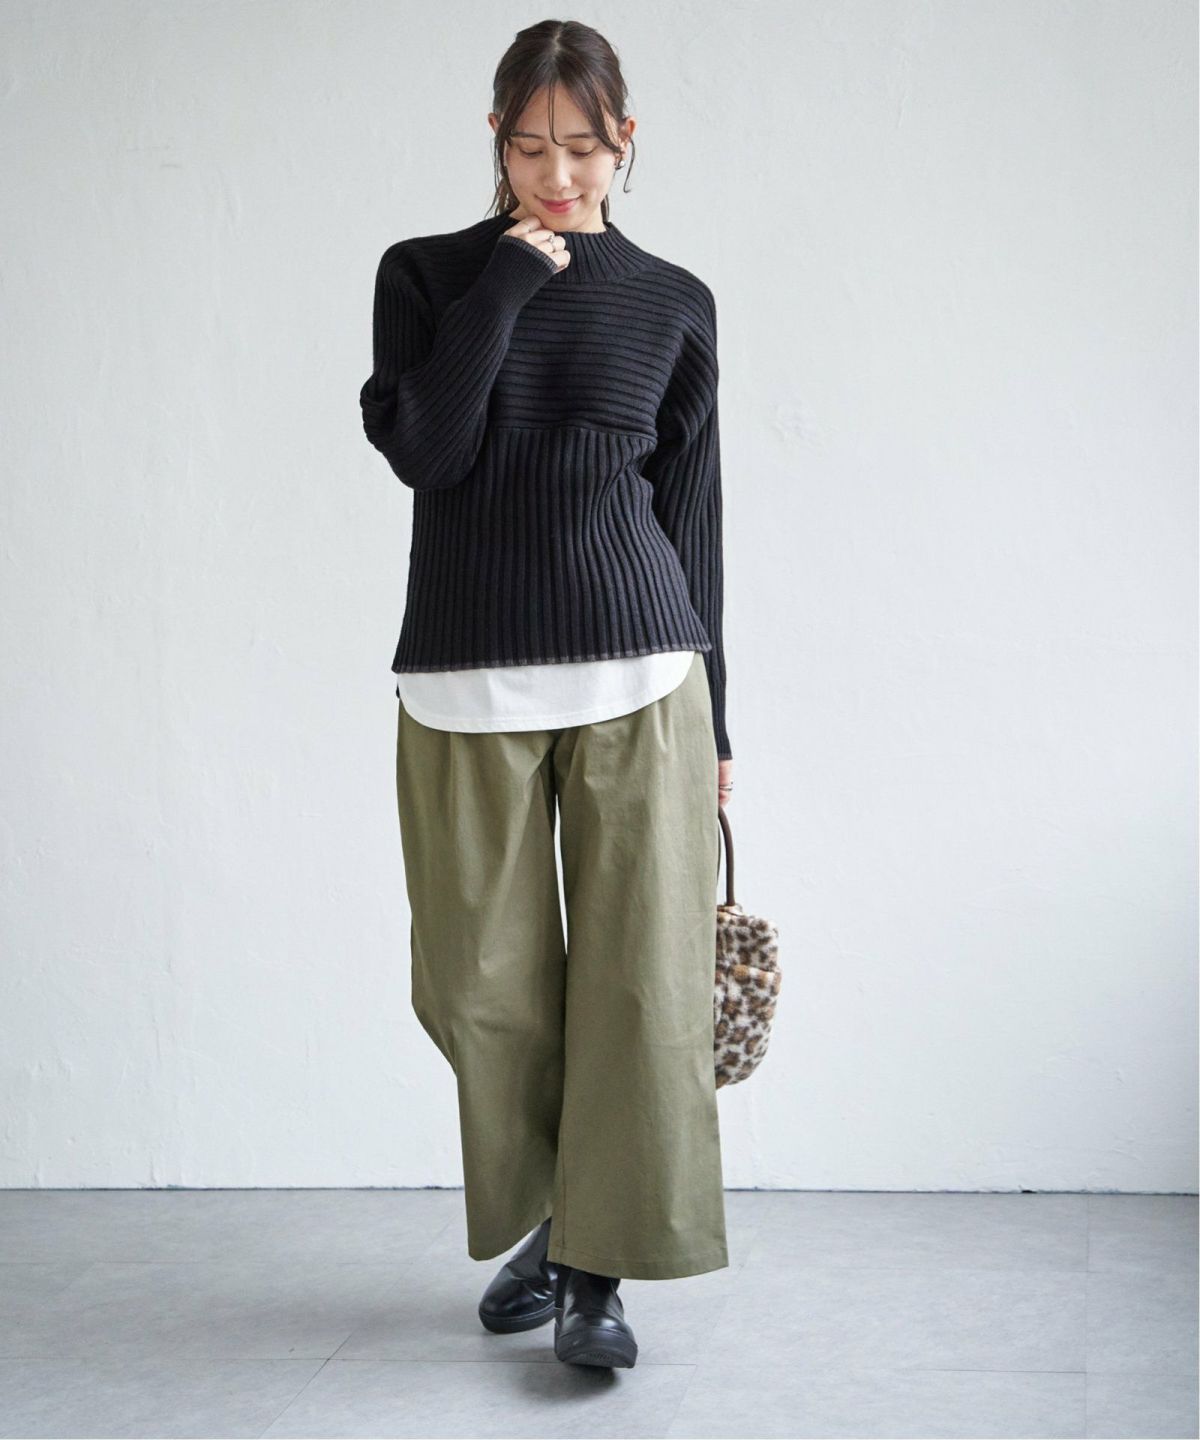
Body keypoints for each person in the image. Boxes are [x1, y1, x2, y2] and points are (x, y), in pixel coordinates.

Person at [358, 19, 734, 1370]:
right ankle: (565, 1216)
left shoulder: (675, 300)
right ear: (496, 142)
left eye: (583, 147)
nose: (558, 174)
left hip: (643, 669)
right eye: (530, 148)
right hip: (466, 674)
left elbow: (693, 516)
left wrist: (723, 720)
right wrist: (512, 281)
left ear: (626, 140)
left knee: (640, 988)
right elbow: (427, 448)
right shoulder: (427, 275)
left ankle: (593, 1275)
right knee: (478, 985)